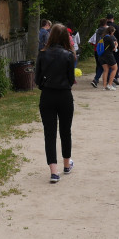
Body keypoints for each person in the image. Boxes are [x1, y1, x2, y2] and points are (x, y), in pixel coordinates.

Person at [35, 23, 76, 183]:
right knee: (66, 131)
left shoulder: (42, 54)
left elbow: (37, 79)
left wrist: (46, 85)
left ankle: (54, 171)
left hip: (47, 95)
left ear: (51, 36)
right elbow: (71, 79)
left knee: (49, 133)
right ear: (66, 37)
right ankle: (66, 164)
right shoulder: (68, 55)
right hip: (64, 95)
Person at [100, 26, 119, 90]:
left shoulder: (103, 37)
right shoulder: (109, 38)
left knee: (105, 70)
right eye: (113, 32)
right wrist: (116, 45)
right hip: (108, 55)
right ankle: (110, 85)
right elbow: (113, 48)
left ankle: (104, 86)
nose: (113, 33)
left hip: (102, 55)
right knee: (115, 68)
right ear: (111, 32)